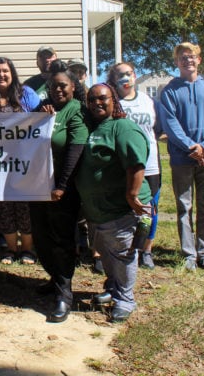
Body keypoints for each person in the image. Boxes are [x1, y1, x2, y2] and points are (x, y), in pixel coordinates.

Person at [76, 84, 152, 323]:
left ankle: (125, 299)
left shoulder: (123, 127)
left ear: (114, 100)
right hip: (97, 210)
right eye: (91, 100)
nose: (96, 103)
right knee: (107, 254)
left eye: (102, 98)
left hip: (122, 208)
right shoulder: (92, 128)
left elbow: (136, 163)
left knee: (122, 254)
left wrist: (132, 194)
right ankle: (113, 288)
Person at [160, 42, 204, 271]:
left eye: (192, 56)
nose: (188, 60)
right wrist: (191, 148)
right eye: (183, 57)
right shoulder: (169, 91)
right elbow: (171, 124)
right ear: (177, 62)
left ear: (199, 60)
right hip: (182, 159)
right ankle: (189, 255)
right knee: (184, 207)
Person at [30, 70, 87, 322]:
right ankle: (54, 278)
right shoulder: (44, 108)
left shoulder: (77, 110)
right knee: (41, 236)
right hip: (37, 187)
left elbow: (76, 149)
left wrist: (62, 186)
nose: (59, 90)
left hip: (63, 190)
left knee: (62, 240)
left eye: (63, 85)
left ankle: (65, 293)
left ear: (73, 86)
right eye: (54, 86)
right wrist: (39, 116)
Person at [0, 57, 40, 264]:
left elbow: (40, 117)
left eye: (5, 71)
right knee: (2, 205)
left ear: (12, 74)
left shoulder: (26, 93)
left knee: (24, 204)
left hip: (23, 161)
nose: (1, 75)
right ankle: (10, 249)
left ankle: (27, 249)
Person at [108, 62, 161, 270]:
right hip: (123, 165)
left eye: (129, 73)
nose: (125, 78)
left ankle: (146, 250)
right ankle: (127, 249)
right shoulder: (113, 103)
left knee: (149, 209)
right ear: (113, 80)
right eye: (120, 75)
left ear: (135, 75)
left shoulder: (148, 100)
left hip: (150, 164)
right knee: (127, 208)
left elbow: (157, 129)